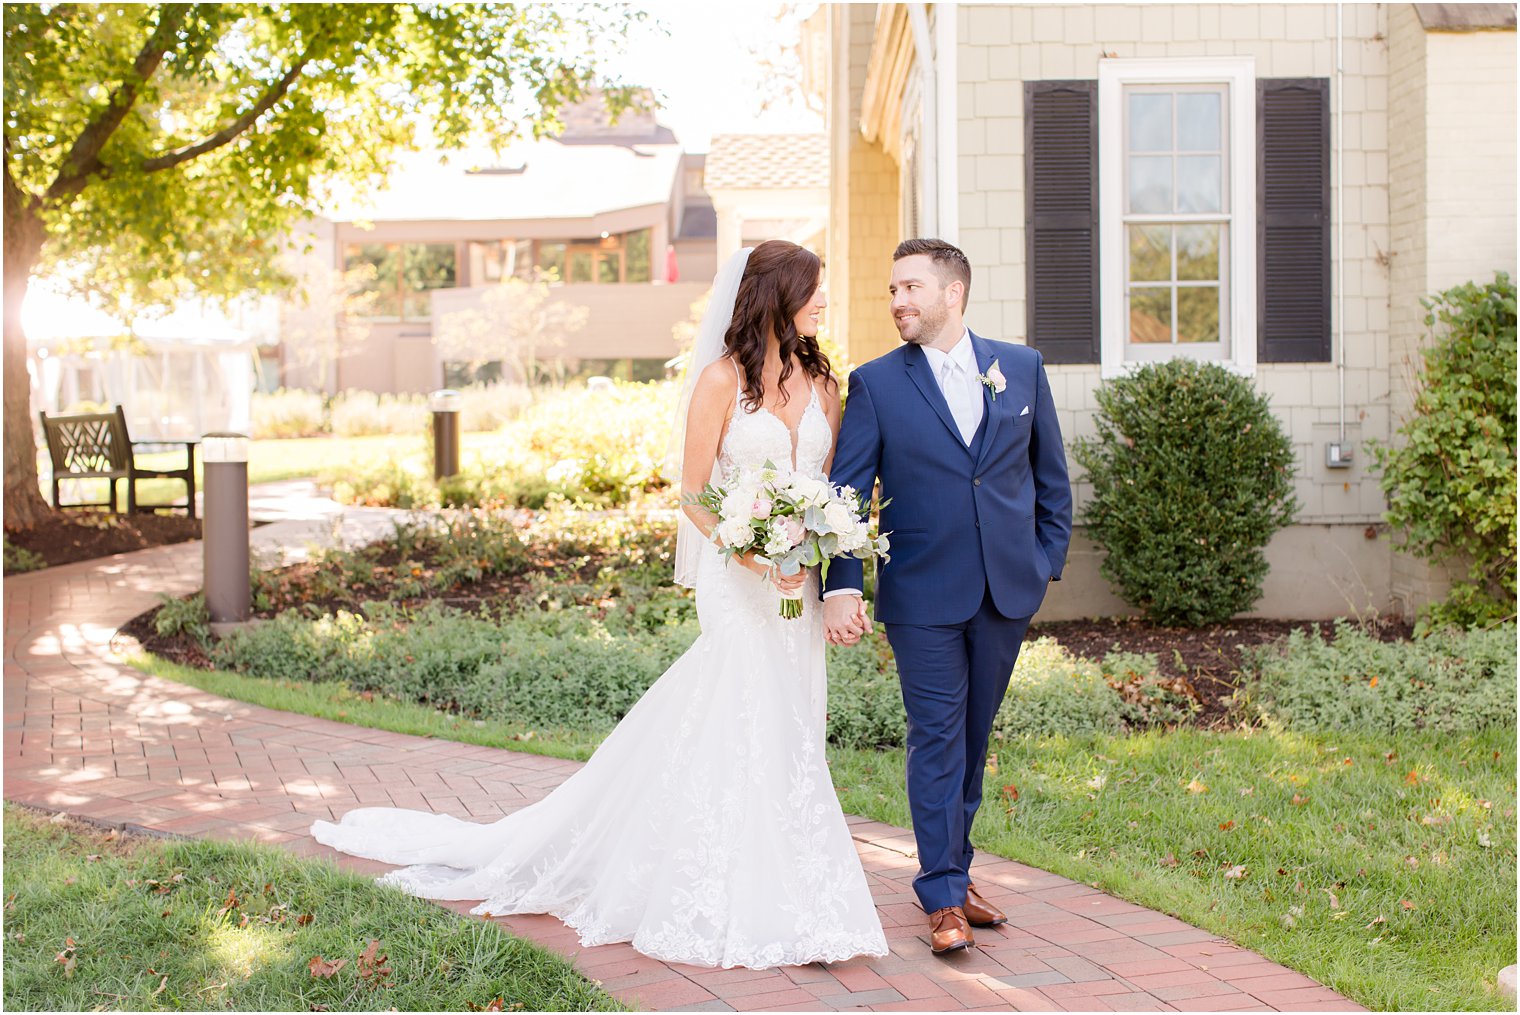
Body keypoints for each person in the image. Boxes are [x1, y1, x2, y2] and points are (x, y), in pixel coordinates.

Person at [312, 241, 888, 971]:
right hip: (738, 580)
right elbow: (692, 493)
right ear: (777, 293)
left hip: (794, 586)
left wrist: (811, 551)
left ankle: (797, 893)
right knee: (751, 715)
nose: (824, 303)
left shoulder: (821, 381)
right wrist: (749, 551)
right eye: (814, 290)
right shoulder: (723, 380)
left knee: (794, 723)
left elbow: (829, 486)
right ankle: (739, 894)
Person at [823, 238, 1072, 955]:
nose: (897, 301)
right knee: (936, 735)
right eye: (892, 290)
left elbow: (1049, 478)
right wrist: (844, 583)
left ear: (952, 292)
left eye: (910, 287)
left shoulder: (1019, 367)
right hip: (923, 592)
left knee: (972, 739)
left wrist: (1043, 562)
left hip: (1005, 590)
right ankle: (939, 893)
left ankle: (957, 876)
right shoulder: (875, 383)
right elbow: (846, 495)